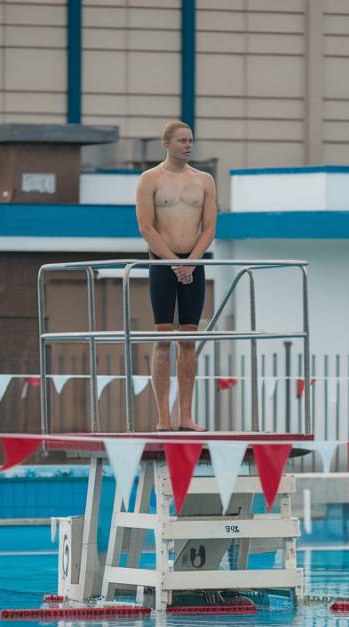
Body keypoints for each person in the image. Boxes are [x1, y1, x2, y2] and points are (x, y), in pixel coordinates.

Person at [135, 121, 217, 431]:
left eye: (191, 140)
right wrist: (173, 264)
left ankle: (185, 416)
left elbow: (208, 227)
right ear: (166, 143)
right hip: (161, 263)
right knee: (162, 337)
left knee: (189, 339)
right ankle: (163, 418)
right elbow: (146, 227)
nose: (188, 145)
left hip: (193, 263)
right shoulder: (150, 179)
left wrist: (191, 263)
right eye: (182, 140)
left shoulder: (204, 180)